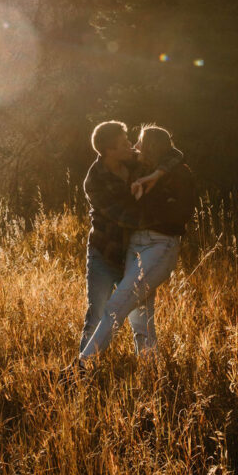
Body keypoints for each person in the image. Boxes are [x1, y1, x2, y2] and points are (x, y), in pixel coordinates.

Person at [77, 124, 195, 367]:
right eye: (125, 143)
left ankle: (83, 367)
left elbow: (173, 153)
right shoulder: (95, 181)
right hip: (106, 251)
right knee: (109, 313)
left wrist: (155, 175)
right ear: (110, 151)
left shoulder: (138, 164)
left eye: (135, 141)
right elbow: (123, 216)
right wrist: (149, 209)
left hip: (143, 247)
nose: (132, 146)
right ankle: (102, 370)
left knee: (126, 311)